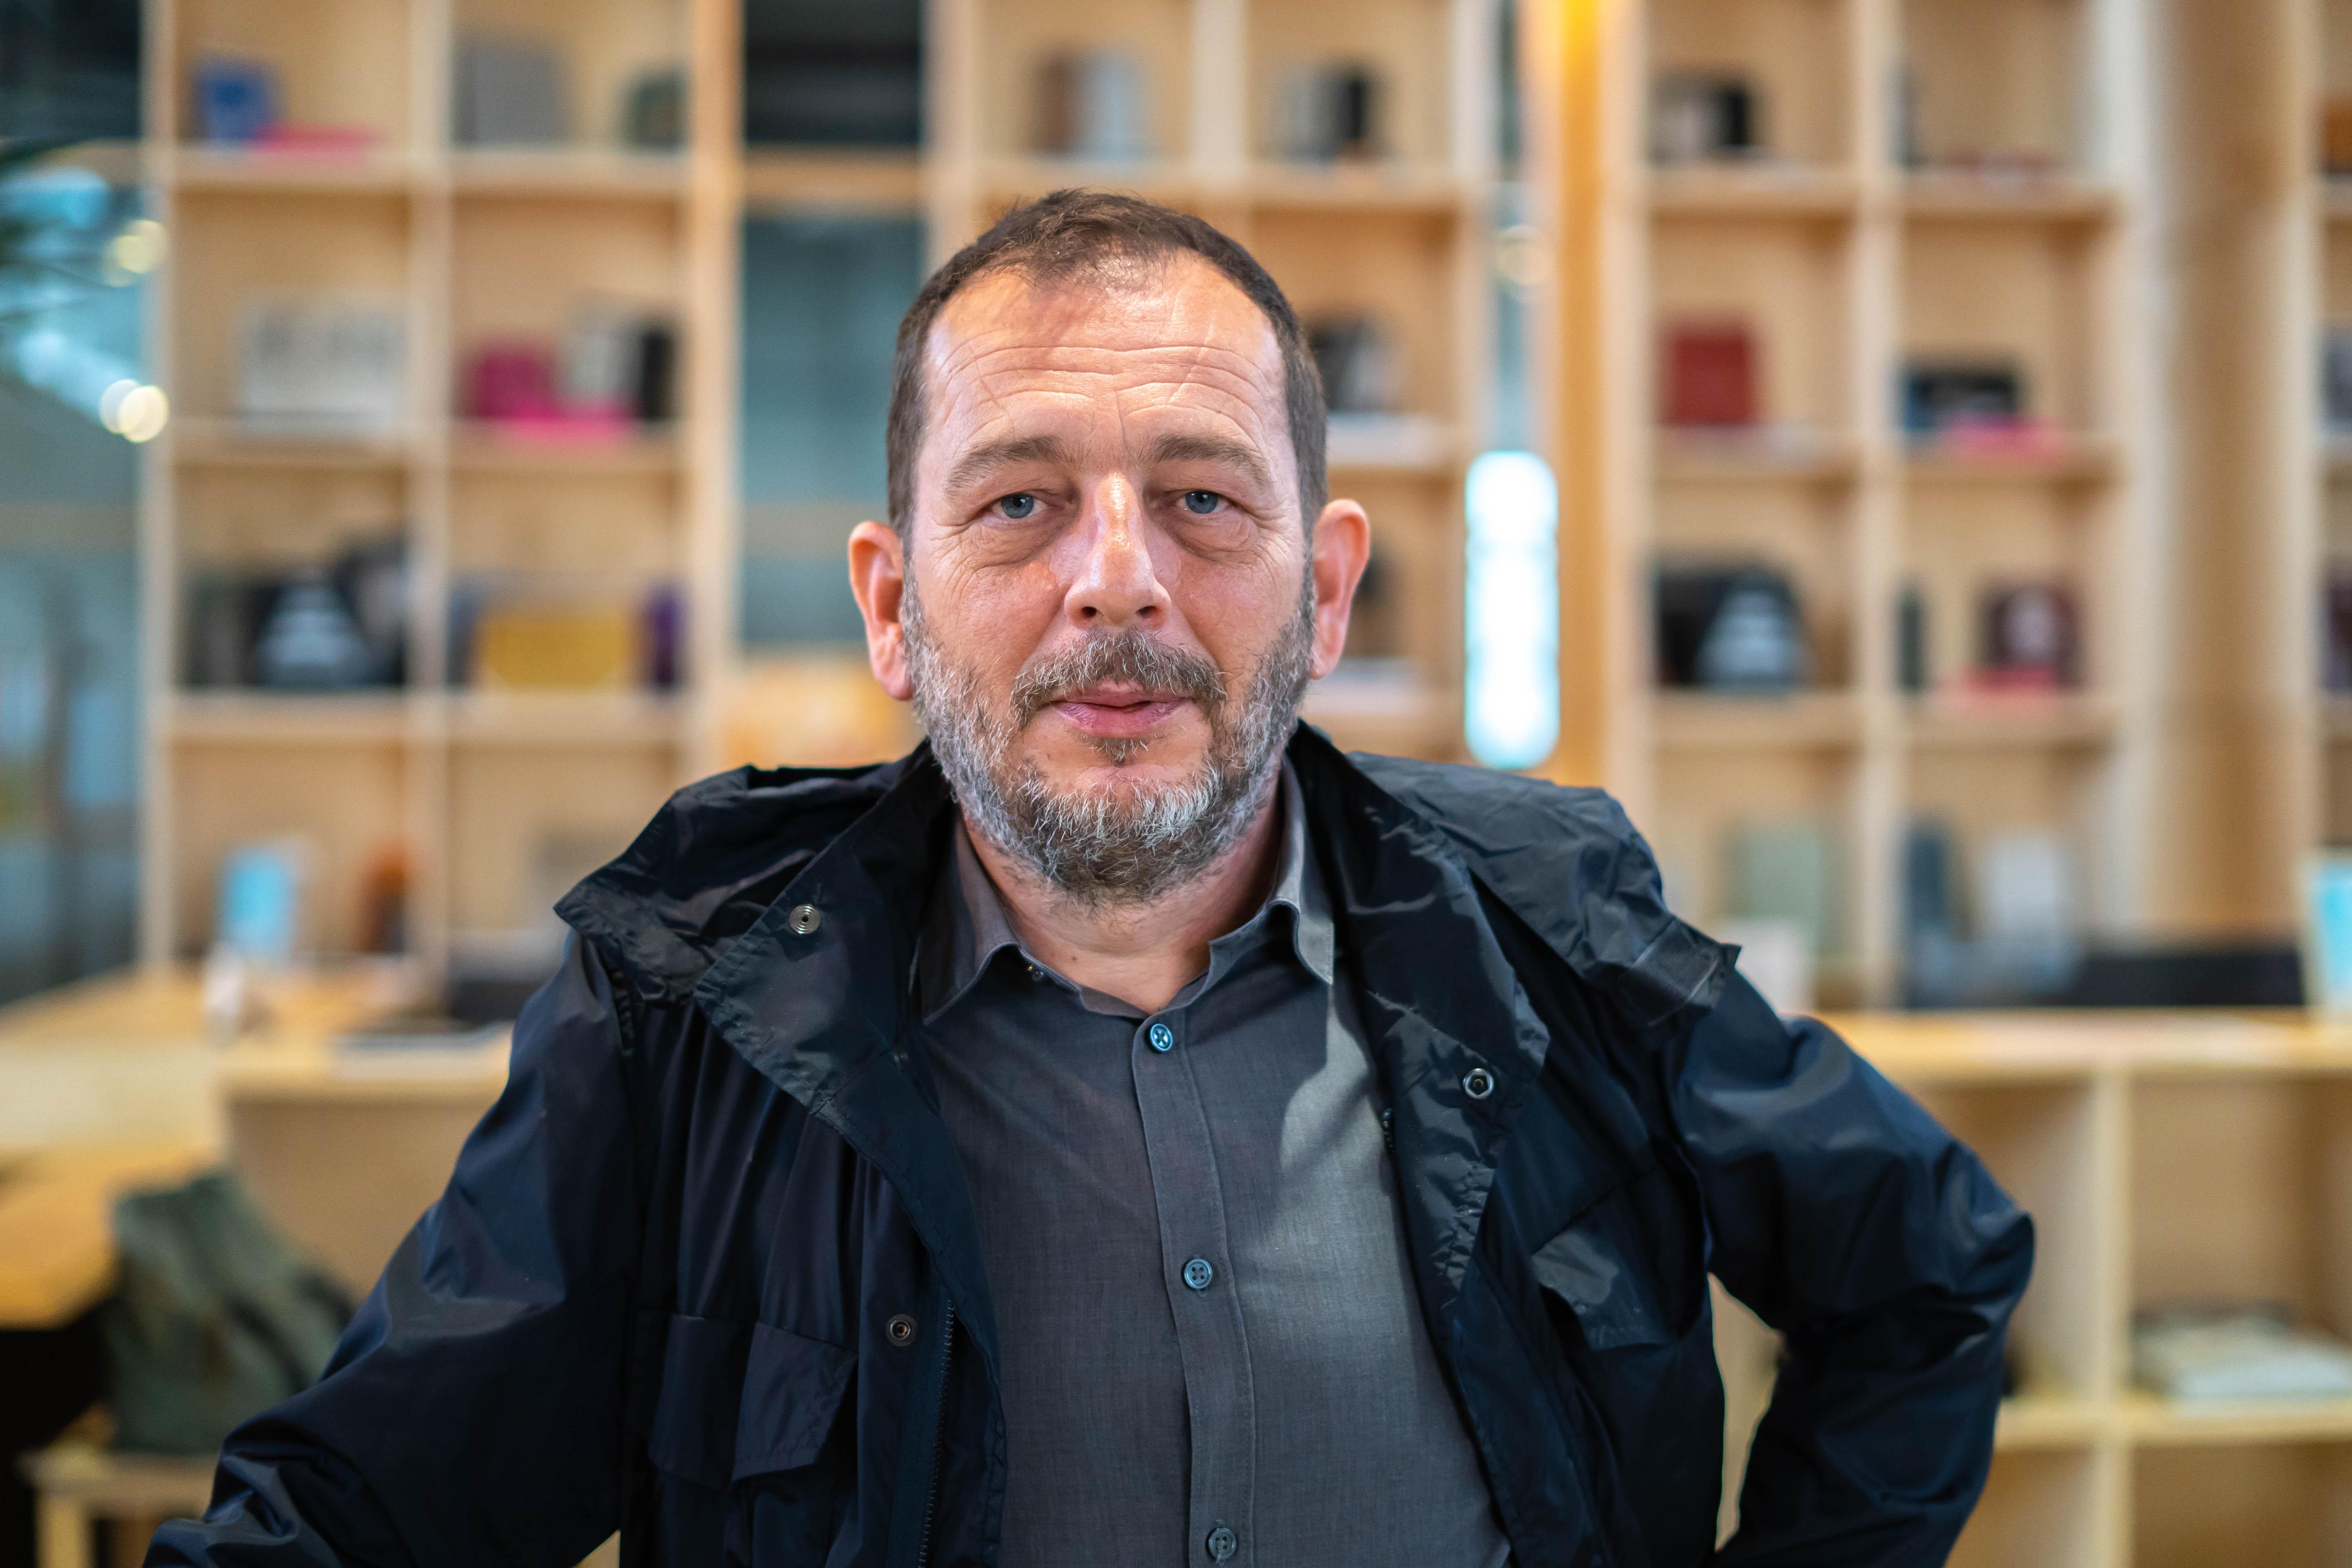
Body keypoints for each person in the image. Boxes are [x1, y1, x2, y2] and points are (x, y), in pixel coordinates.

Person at [150, 190, 2031, 1568]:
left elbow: (1927, 1277)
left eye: (1204, 498)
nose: (1116, 578)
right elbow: (354, 1515)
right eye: (1019, 499)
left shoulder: (1553, 935)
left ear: (1324, 585)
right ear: (892, 602)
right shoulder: (682, 1013)